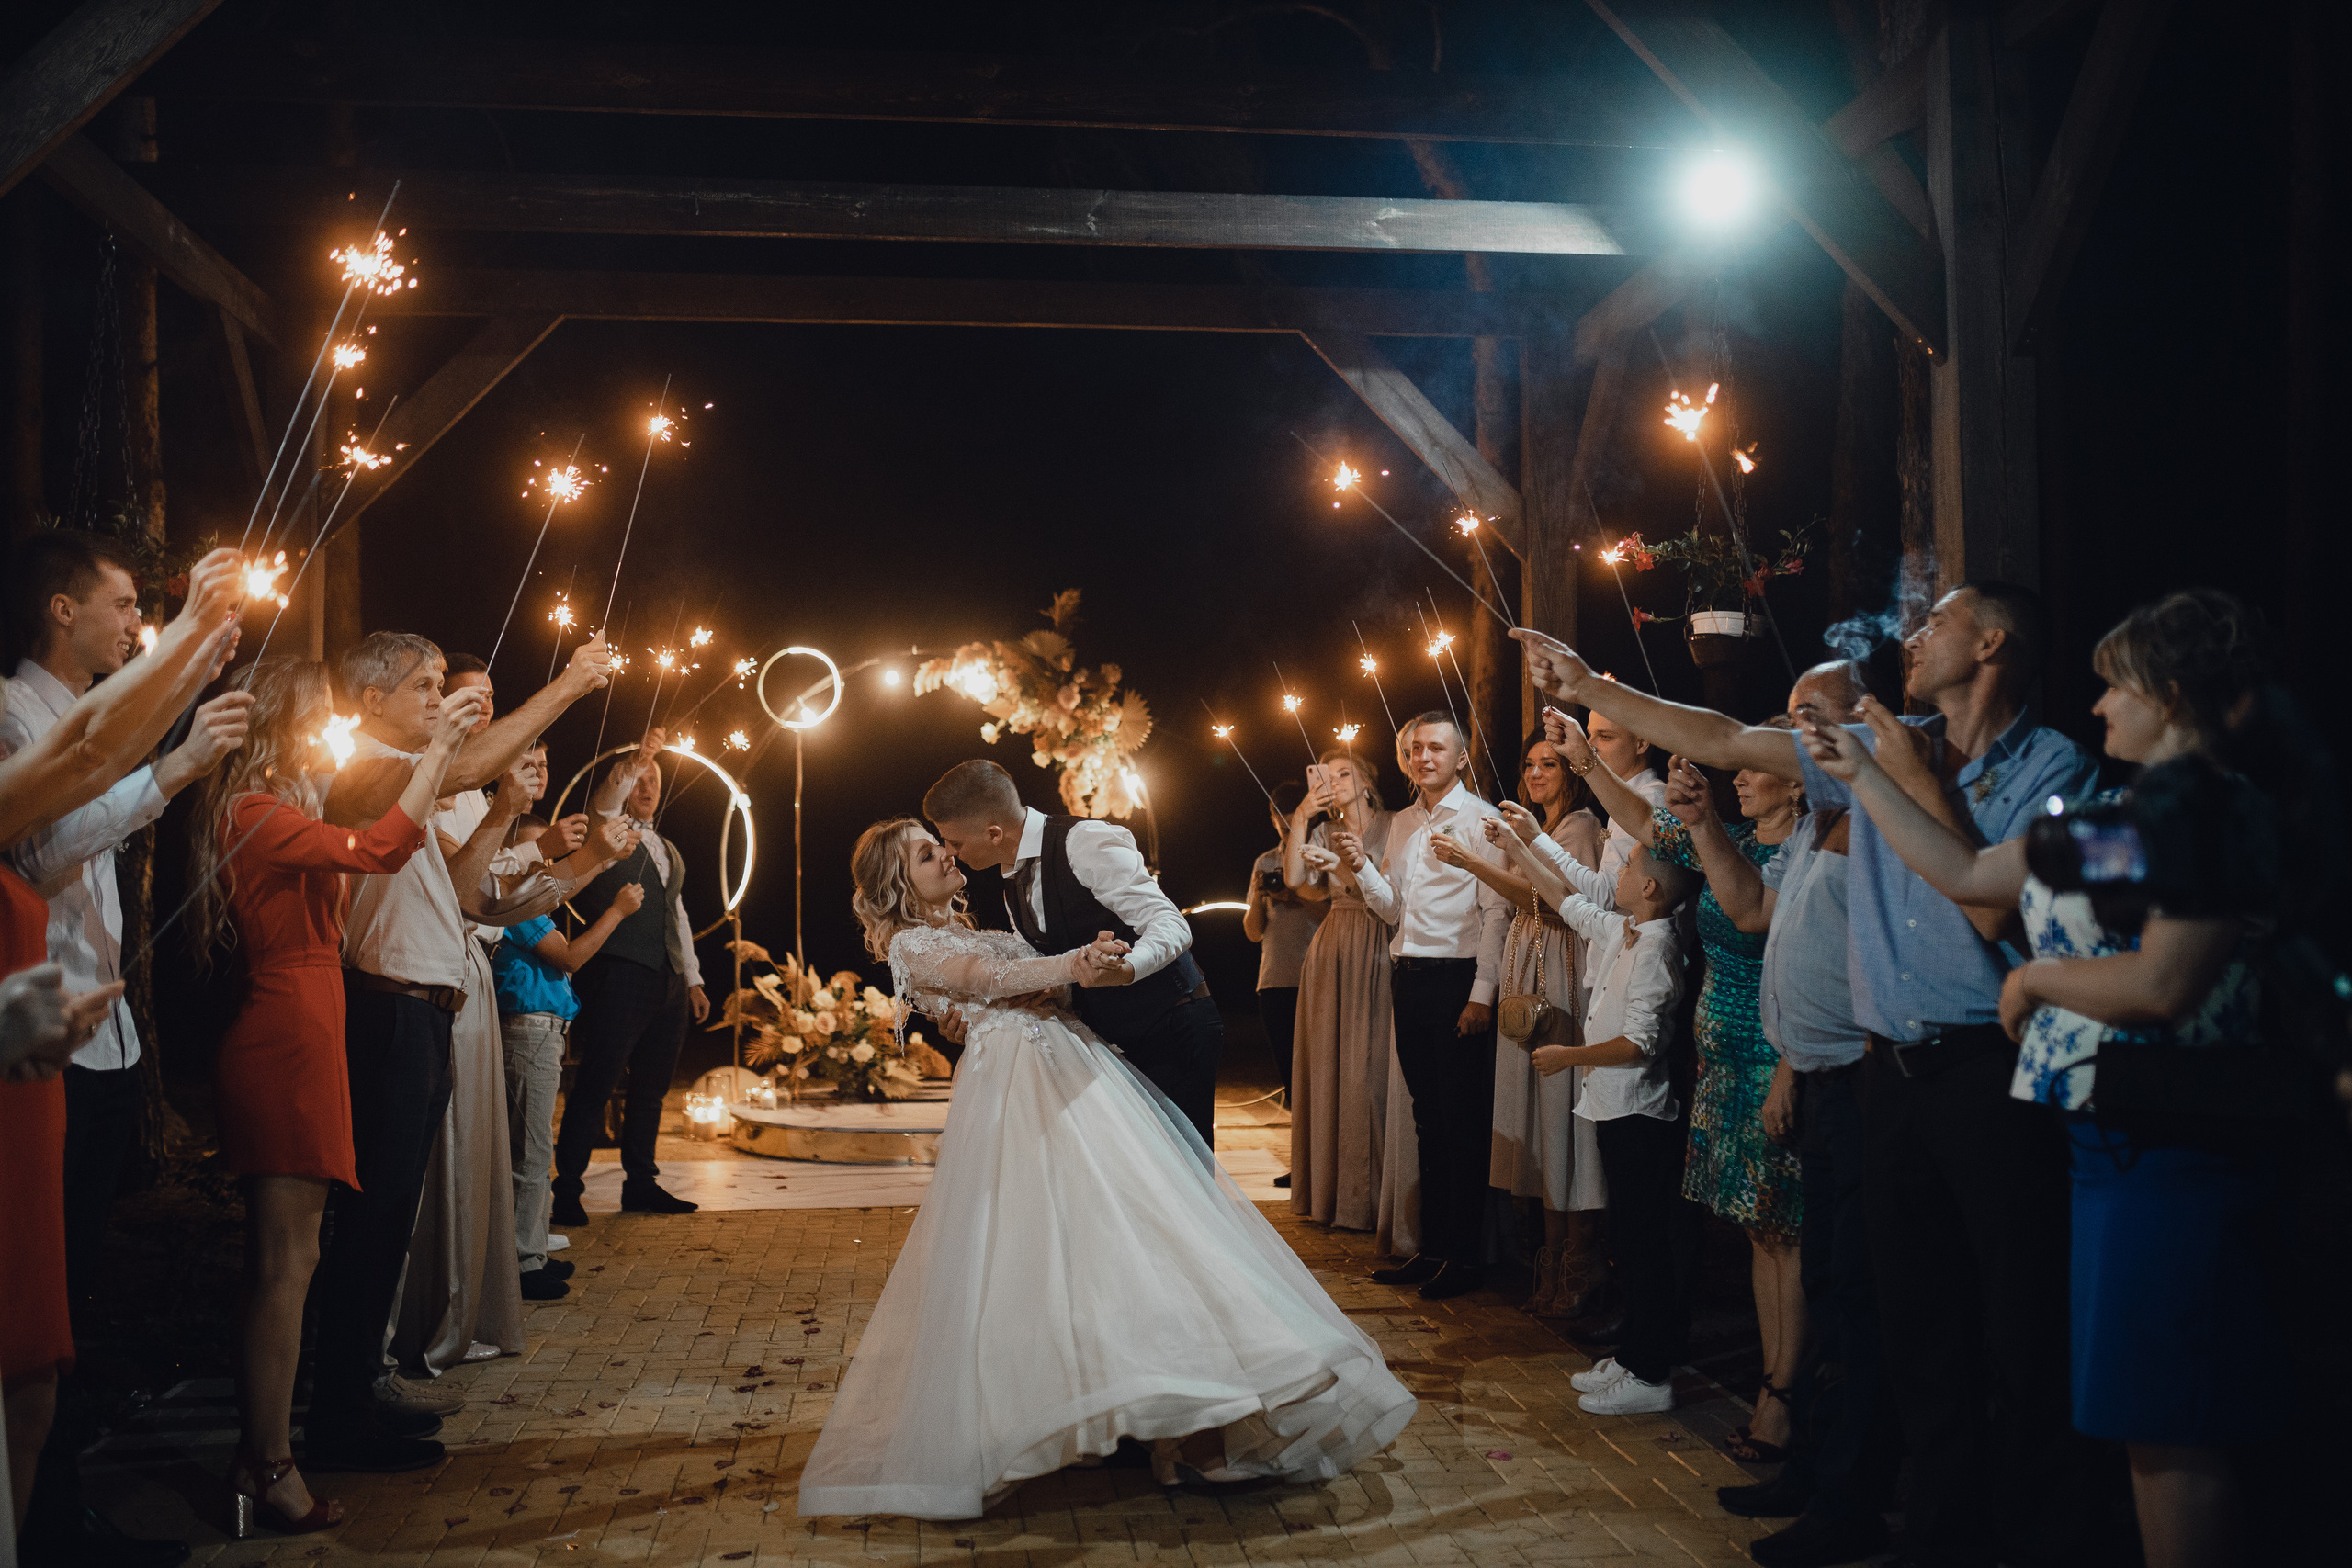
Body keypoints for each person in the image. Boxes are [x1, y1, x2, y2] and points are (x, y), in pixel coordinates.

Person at [1518, 581, 2105, 1568]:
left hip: (1989, 1070)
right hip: (1886, 1071)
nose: (1916, 633)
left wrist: (1899, 775)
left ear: (1993, 644)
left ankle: (2039, 1535)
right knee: (1907, 1315)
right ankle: (1936, 1530)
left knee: (2017, 1320)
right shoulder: (1875, 748)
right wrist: (1591, 688)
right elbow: (1724, 738)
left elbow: (1990, 904)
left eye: (1940, 622)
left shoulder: (2052, 765)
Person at [1804, 590, 2281, 1568]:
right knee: (2143, 1424)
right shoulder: (2128, 817)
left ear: (2171, 696)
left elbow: (2164, 983)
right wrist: (1866, 775)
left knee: (2170, 1421)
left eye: (2116, 688)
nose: (2097, 705)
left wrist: (2034, 979)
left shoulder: (2212, 811)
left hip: (2173, 1154)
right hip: (2107, 1150)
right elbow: (1973, 875)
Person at [797, 818, 1415, 1518]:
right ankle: (1097, 1418)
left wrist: (1059, 980)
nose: (943, 853)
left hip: (1073, 1068)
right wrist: (1067, 965)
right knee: (1050, 1254)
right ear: (898, 882)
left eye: (940, 842)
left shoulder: (986, 922)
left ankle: (1178, 1421)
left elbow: (1027, 983)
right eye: (924, 852)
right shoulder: (912, 943)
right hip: (1017, 1092)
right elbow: (980, 978)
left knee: (1138, 1234)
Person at [1, 534, 255, 1568]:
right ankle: (45, 1519)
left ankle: (58, 1507)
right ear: (61, 609)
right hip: (31, 1048)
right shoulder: (15, 717)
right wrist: (177, 762)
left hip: (94, 1043)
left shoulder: (92, 720)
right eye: (121, 604)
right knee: (35, 1310)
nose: (132, 622)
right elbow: (46, 845)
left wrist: (187, 674)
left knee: (70, 1301)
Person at [184, 656, 481, 1538]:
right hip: (284, 1028)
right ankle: (267, 1462)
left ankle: (266, 1451)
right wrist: (441, 751)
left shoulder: (286, 804)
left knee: (294, 1257)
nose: (334, 726)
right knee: (286, 1262)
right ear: (283, 721)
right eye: (320, 714)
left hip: (312, 1019)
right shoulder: (253, 811)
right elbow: (380, 848)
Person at [311, 627, 611, 1472]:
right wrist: (569, 685)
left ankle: (361, 1385)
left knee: (390, 1216)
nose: (441, 701)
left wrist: (520, 818)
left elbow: (471, 890)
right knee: (371, 1219)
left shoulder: (420, 777)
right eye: (426, 687)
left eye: (444, 684)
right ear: (372, 699)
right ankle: (337, 1413)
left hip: (426, 1012)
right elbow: (468, 766)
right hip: (387, 1009)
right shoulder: (363, 765)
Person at [1552, 708, 1808, 1458]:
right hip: (1719, 1064)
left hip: (1773, 1058)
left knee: (1783, 1234)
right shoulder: (1733, 839)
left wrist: (1788, 1067)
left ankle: (1784, 1397)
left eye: (1756, 764)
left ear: (1798, 783)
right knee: (1758, 1234)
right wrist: (1585, 759)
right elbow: (1646, 820)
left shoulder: (1804, 852)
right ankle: (1772, 1384)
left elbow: (1772, 935)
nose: (1739, 775)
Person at [1484, 812, 1698, 1415]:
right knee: (1627, 1240)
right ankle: (1632, 1357)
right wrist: (1521, 844)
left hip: (1639, 1115)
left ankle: (1651, 1373)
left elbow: (1641, 1042)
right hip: (1611, 1108)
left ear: (1649, 887)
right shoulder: (1625, 928)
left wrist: (1570, 1055)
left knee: (1644, 1244)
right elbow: (1566, 901)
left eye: (1628, 866)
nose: (1617, 872)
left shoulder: (1657, 949)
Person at [923, 758, 1222, 1145]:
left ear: (994, 833)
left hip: (1171, 1024)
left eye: (955, 842)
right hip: (1110, 1039)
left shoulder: (1083, 842)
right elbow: (1049, 966)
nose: (948, 851)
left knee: (1184, 1168)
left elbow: (1170, 922)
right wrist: (974, 1014)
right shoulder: (1011, 875)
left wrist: (1126, 969)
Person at [1343, 713, 1509, 1300]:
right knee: (1426, 1119)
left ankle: (1464, 1258)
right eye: (1415, 748)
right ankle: (1434, 1248)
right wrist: (1362, 868)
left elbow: (1496, 914)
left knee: (1461, 1122)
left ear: (1461, 758)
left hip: (1457, 979)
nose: (1424, 757)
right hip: (1408, 977)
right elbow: (1393, 910)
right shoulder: (1403, 822)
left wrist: (1481, 996)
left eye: (1436, 748)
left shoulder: (1482, 819)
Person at [1448, 731, 1606, 1317]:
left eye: (1551, 764)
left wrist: (1475, 863)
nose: (1537, 773)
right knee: (1538, 1118)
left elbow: (1556, 902)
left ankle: (1580, 1260)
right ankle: (1551, 1252)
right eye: (1530, 764)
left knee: (1563, 1115)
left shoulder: (1580, 827)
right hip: (1529, 962)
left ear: (1572, 773)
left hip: (1560, 968)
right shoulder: (1534, 823)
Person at [548, 729, 710, 1225]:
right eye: (639, 779)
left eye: (654, 779)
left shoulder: (668, 848)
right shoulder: (607, 831)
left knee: (652, 1090)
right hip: (619, 973)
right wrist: (638, 759)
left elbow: (676, 912)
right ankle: (567, 1190)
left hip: (669, 979)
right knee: (596, 1084)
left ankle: (640, 1184)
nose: (647, 786)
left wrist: (693, 978)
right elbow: (604, 800)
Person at [492, 811, 643, 1296]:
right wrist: (617, 911)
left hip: (542, 1030)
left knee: (534, 1147)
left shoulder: (527, 904)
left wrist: (601, 861)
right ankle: (524, 1263)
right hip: (529, 1029)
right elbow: (572, 957)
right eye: (540, 852)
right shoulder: (515, 905)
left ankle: (532, 1247)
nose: (549, 863)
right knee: (530, 1150)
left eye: (552, 854)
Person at [1283, 747, 1401, 1231]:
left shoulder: (1394, 825)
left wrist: (1341, 864)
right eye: (1327, 776)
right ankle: (1335, 1195)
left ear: (1367, 781)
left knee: (1371, 1067)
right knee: (1332, 1063)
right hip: (1335, 944)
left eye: (1345, 774)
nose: (1334, 782)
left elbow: (1392, 891)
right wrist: (1301, 815)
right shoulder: (1323, 830)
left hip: (1382, 939)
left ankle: (1375, 1198)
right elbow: (1295, 879)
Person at [1240, 780, 1324, 1189]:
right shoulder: (1265, 861)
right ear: (1272, 818)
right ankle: (1302, 1163)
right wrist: (1261, 896)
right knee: (1291, 1079)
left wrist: (1296, 896)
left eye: (1293, 820)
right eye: (1280, 821)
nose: (1286, 827)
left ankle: (1323, 1163)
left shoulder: (1319, 853)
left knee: (1319, 1076)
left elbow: (1336, 911)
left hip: (1317, 977)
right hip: (1274, 981)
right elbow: (1253, 932)